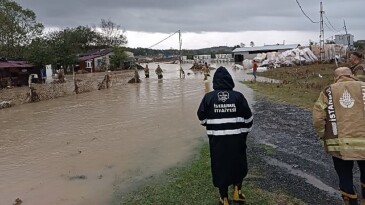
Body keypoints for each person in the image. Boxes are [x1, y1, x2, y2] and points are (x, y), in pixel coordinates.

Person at [197, 66, 253, 205]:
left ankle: (224, 198)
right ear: (229, 80)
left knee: (220, 167)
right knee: (238, 165)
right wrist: (243, 134)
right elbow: (248, 118)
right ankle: (237, 193)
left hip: (217, 142)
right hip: (237, 140)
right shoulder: (238, 96)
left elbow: (201, 118)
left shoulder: (208, 97)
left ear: (215, 81)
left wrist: (212, 125)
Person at [313, 67, 365, 205]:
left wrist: (322, 134)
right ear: (352, 75)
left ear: (335, 77)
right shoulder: (364, 87)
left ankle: (350, 200)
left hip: (339, 144)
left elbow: (318, 118)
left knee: (344, 175)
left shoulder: (328, 91)